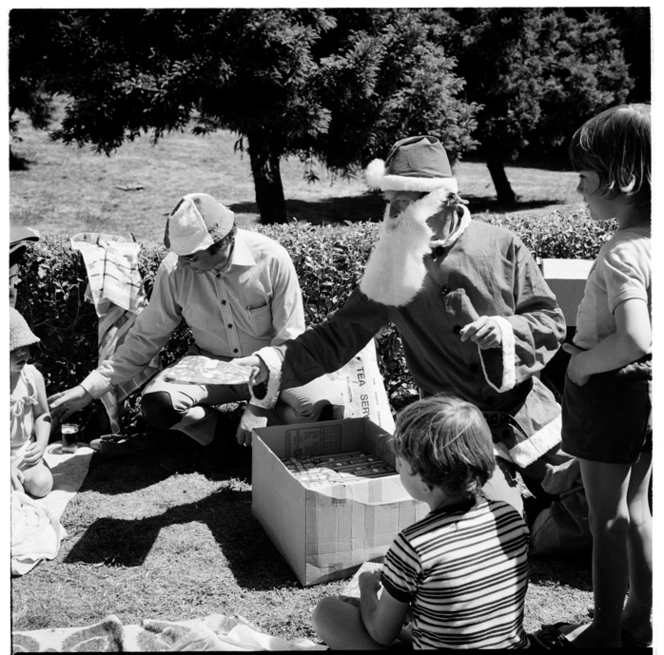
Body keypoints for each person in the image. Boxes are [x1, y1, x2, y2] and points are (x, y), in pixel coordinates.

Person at [236, 135, 568, 514]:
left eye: (402, 205)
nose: (391, 216)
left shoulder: (501, 244)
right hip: (450, 426)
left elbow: (550, 321)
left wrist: (505, 331)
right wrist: (276, 362)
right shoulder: (392, 265)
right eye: (388, 204)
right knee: (494, 519)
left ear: (440, 200)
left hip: (525, 411)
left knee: (585, 499)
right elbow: (339, 334)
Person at [48, 193, 342, 464]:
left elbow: (288, 340)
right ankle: (226, 434)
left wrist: (259, 405)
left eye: (191, 257)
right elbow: (144, 339)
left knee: (324, 409)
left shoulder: (272, 258)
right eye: (179, 255)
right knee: (158, 405)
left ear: (222, 243)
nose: (182, 264)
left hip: (273, 366)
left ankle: (254, 431)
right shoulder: (175, 268)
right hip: (212, 365)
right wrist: (89, 388)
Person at [533, 105, 652, 649]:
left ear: (623, 178)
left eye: (585, 175)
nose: (579, 188)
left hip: (609, 393)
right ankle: (640, 619)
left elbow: (634, 336)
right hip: (647, 396)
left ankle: (604, 631)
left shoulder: (623, 250)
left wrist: (580, 363)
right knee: (639, 511)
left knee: (607, 521)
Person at [312, 394, 530, 650]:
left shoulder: (413, 545)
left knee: (327, 612)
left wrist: (367, 590)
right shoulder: (511, 518)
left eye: (401, 464)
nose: (398, 468)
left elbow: (381, 633)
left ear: (425, 482)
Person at [10, 307, 54, 498]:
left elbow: (42, 414)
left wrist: (42, 443)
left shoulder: (31, 376)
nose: (23, 354)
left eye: (25, 347)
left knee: (42, 484)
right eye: (13, 349)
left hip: (22, 453)